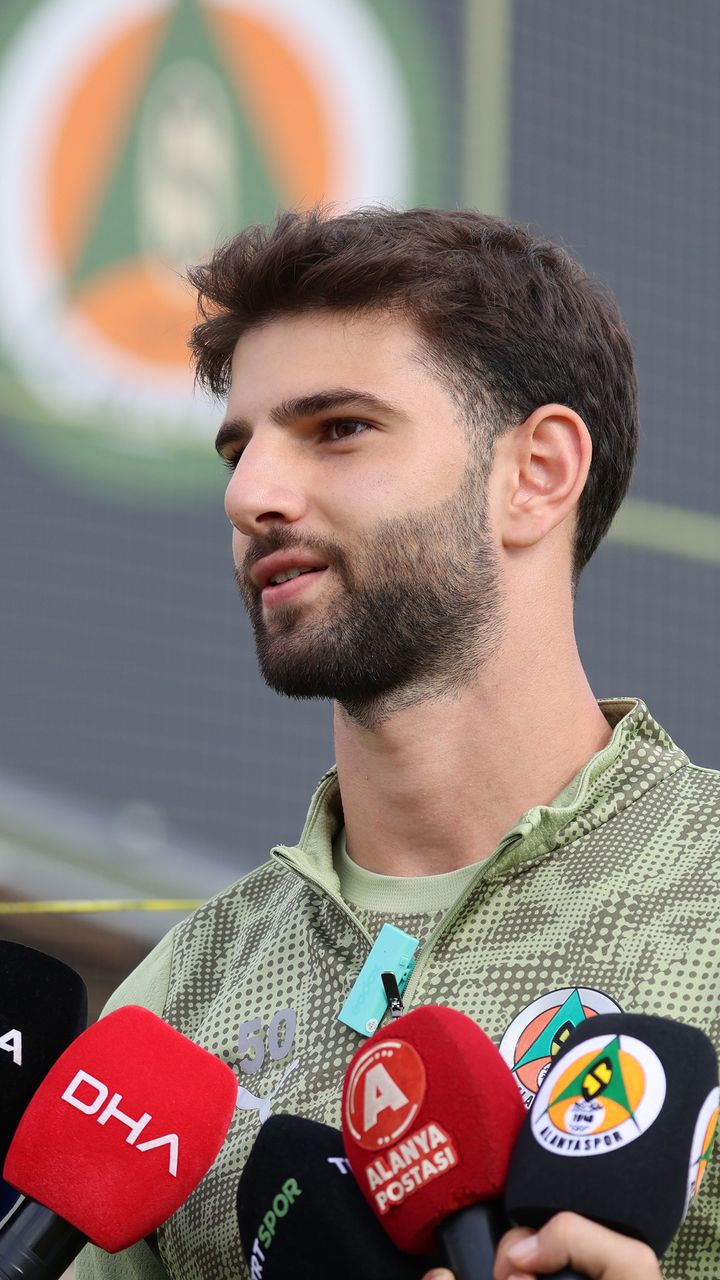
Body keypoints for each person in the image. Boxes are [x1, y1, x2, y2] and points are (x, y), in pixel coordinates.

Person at [77, 208, 719, 1280]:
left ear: (538, 472)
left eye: (338, 428)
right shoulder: (176, 1007)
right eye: (239, 449)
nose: (249, 495)